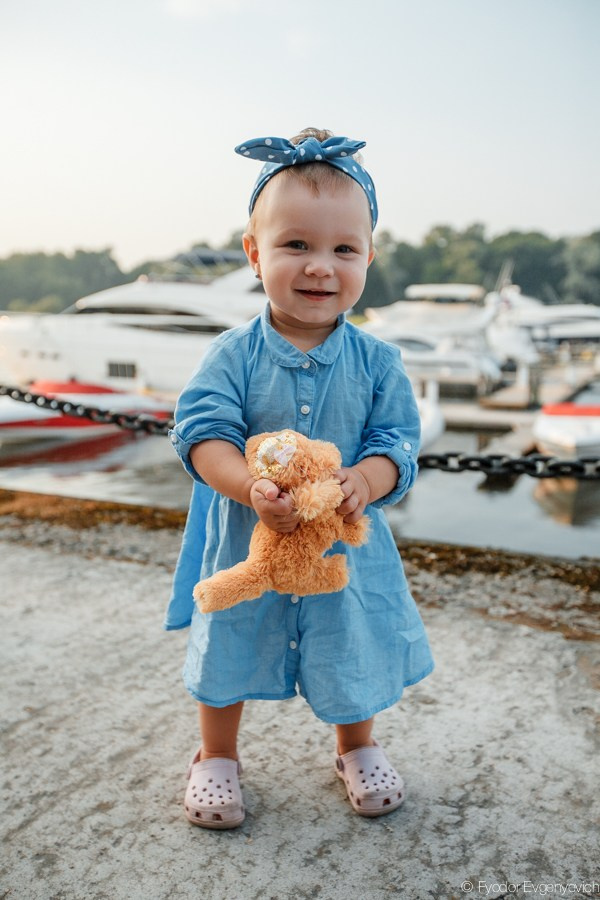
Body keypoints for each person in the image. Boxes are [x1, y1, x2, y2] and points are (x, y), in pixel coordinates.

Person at [166, 128, 434, 829]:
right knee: (230, 635)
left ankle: (357, 746)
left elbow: (396, 442)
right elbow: (202, 433)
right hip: (244, 540)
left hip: (343, 544)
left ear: (369, 258)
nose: (321, 267)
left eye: (344, 249)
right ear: (255, 254)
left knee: (351, 639)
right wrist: (245, 487)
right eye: (296, 245)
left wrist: (366, 482)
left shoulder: (378, 361)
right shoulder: (231, 354)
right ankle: (216, 755)